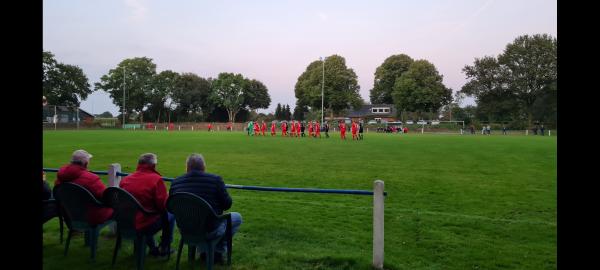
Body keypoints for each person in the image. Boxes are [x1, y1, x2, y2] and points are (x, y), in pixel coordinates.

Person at [170, 154, 242, 264]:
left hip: (185, 229)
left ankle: (205, 251)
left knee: (204, 222)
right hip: (209, 230)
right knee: (236, 217)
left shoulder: (175, 182)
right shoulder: (215, 180)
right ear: (204, 167)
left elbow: (172, 209)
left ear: (187, 167)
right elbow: (227, 204)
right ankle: (217, 252)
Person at [119, 153, 174, 257]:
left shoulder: (126, 179)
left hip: (126, 222)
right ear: (153, 166)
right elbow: (163, 206)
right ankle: (164, 247)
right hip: (142, 224)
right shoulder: (156, 179)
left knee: (146, 216)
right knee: (170, 215)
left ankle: (153, 248)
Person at [55, 150, 113, 225]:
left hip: (68, 214)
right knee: (118, 210)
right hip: (89, 216)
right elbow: (106, 196)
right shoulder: (91, 178)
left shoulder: (61, 177)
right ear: (85, 163)